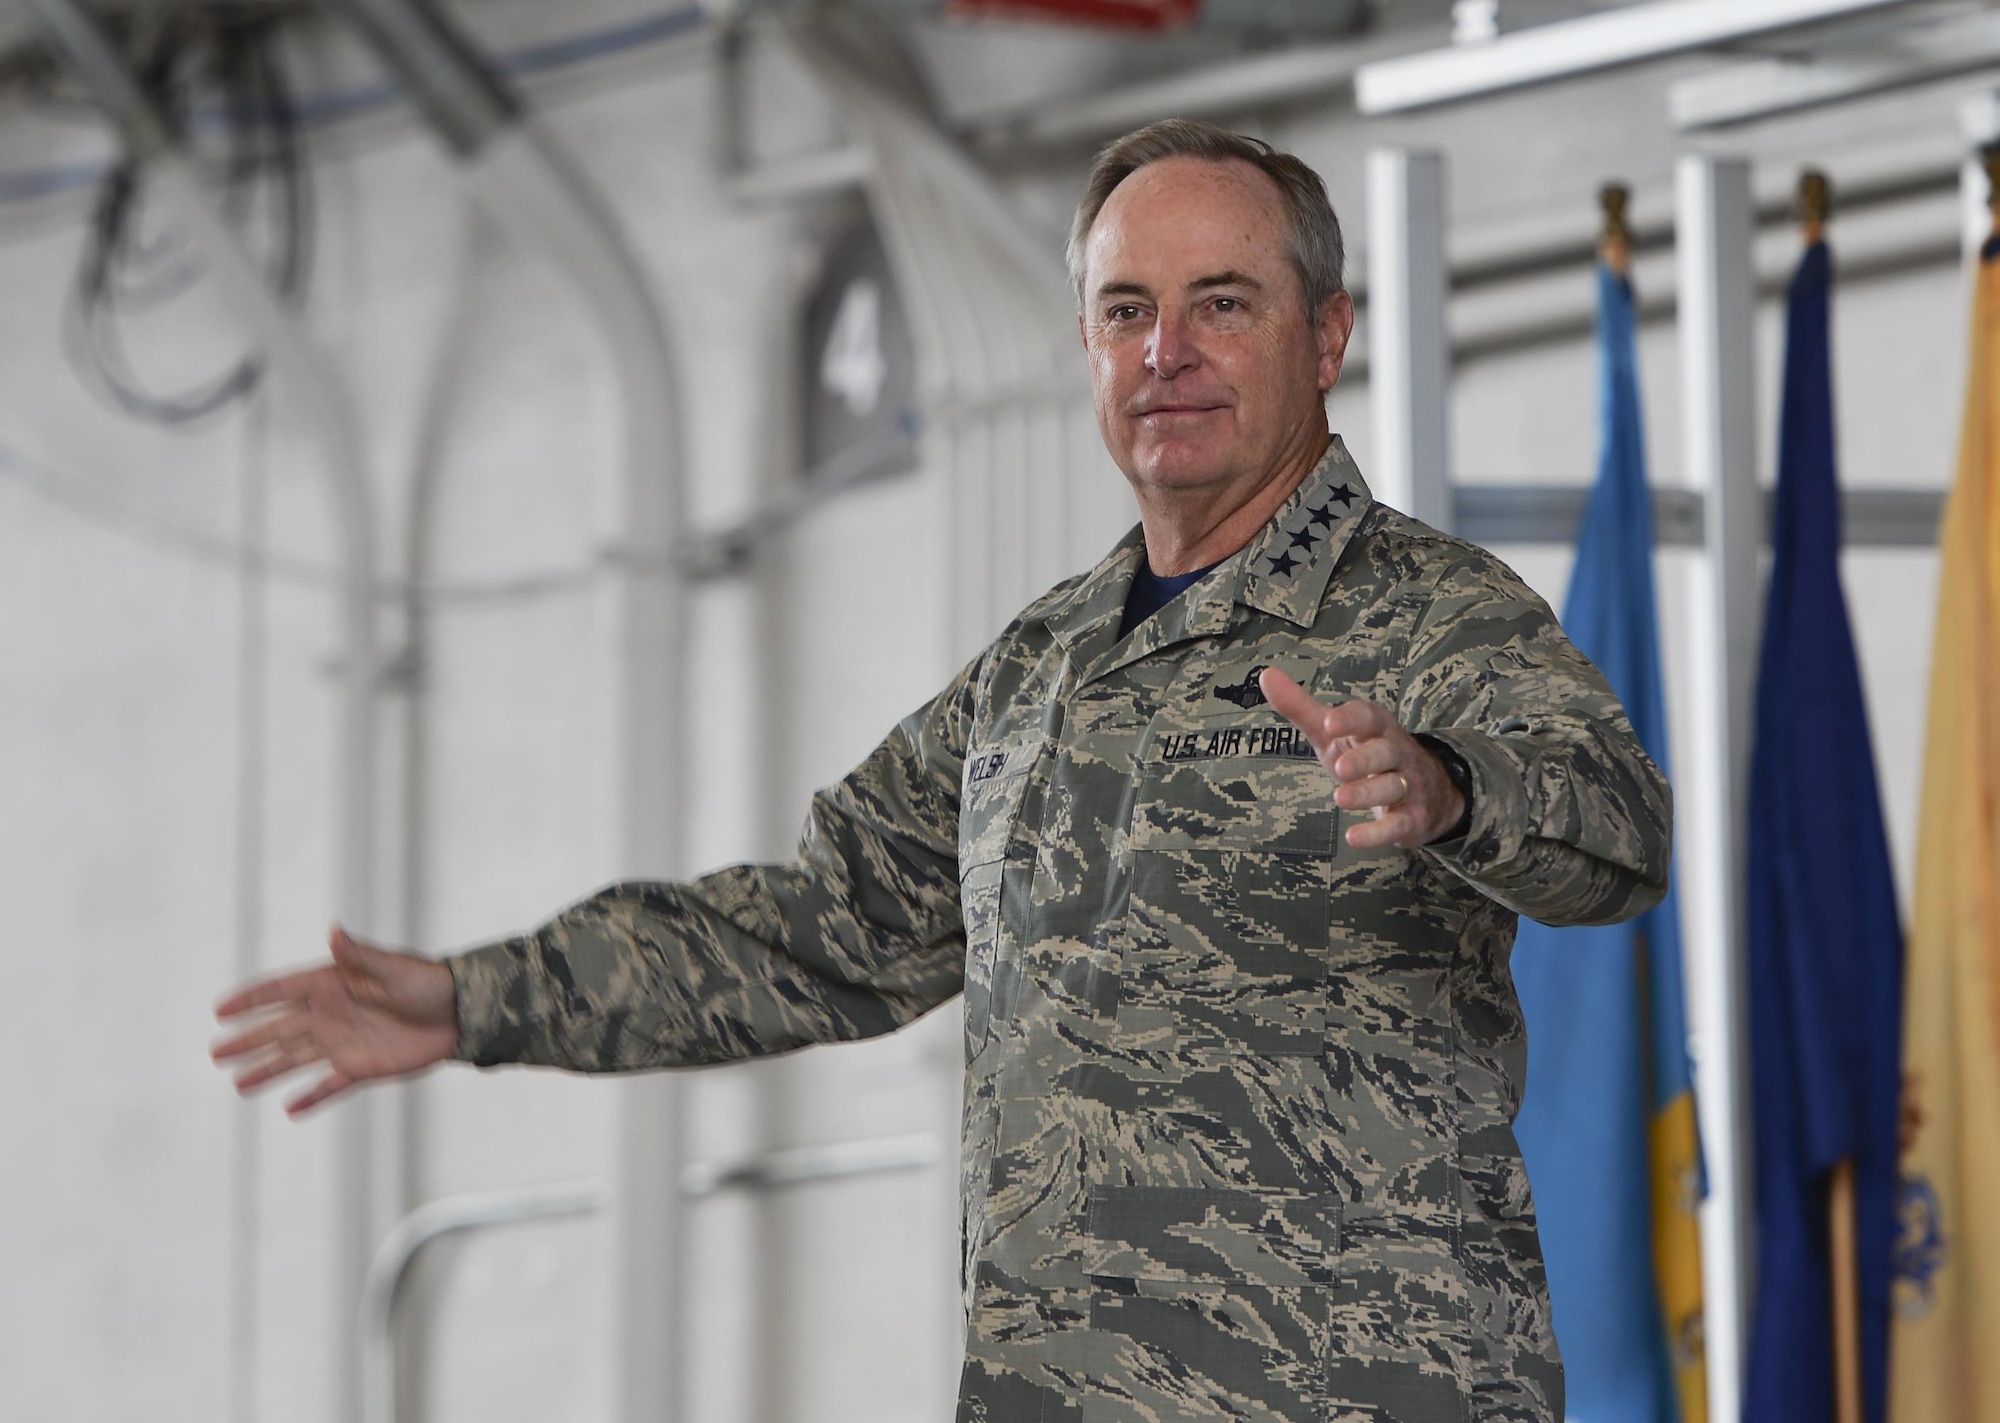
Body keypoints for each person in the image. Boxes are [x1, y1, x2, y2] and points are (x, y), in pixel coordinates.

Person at [214, 120, 1669, 1423]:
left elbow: (1622, 827)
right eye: (1126, 311)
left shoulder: (1426, 612)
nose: (1167, 352)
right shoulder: (1038, 672)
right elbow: (807, 927)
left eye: (1222, 306)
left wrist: (1458, 790)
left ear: (1327, 332)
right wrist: (479, 997)